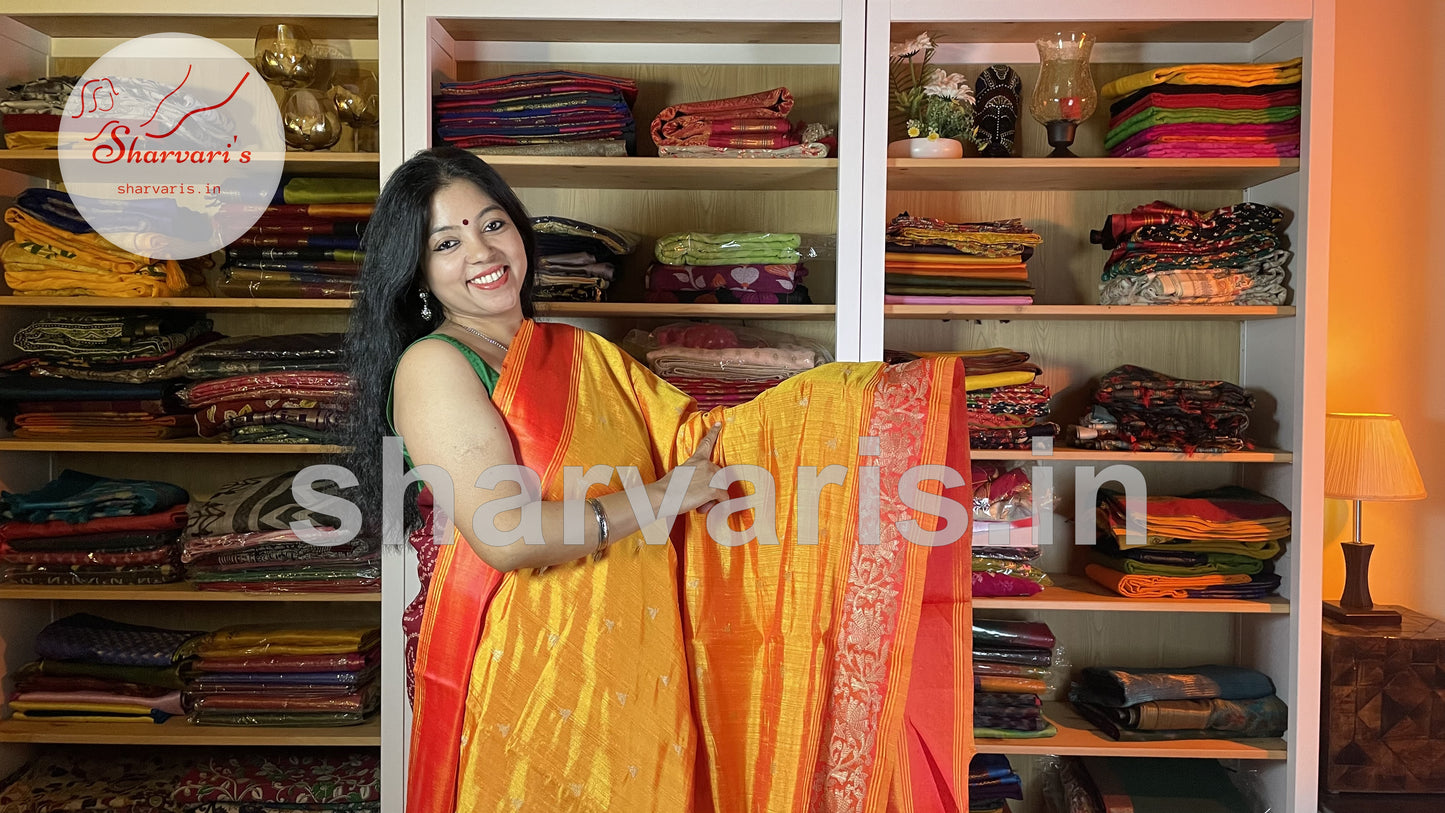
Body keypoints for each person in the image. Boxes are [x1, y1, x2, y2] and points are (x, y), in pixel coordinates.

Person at [343, 146, 975, 813]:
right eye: (447, 240)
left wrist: (863, 403)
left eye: (492, 223)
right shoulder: (437, 364)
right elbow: (507, 534)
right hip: (520, 665)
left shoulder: (581, 353)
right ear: (416, 270)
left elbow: (701, 443)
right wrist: (670, 494)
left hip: (627, 653)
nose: (481, 250)